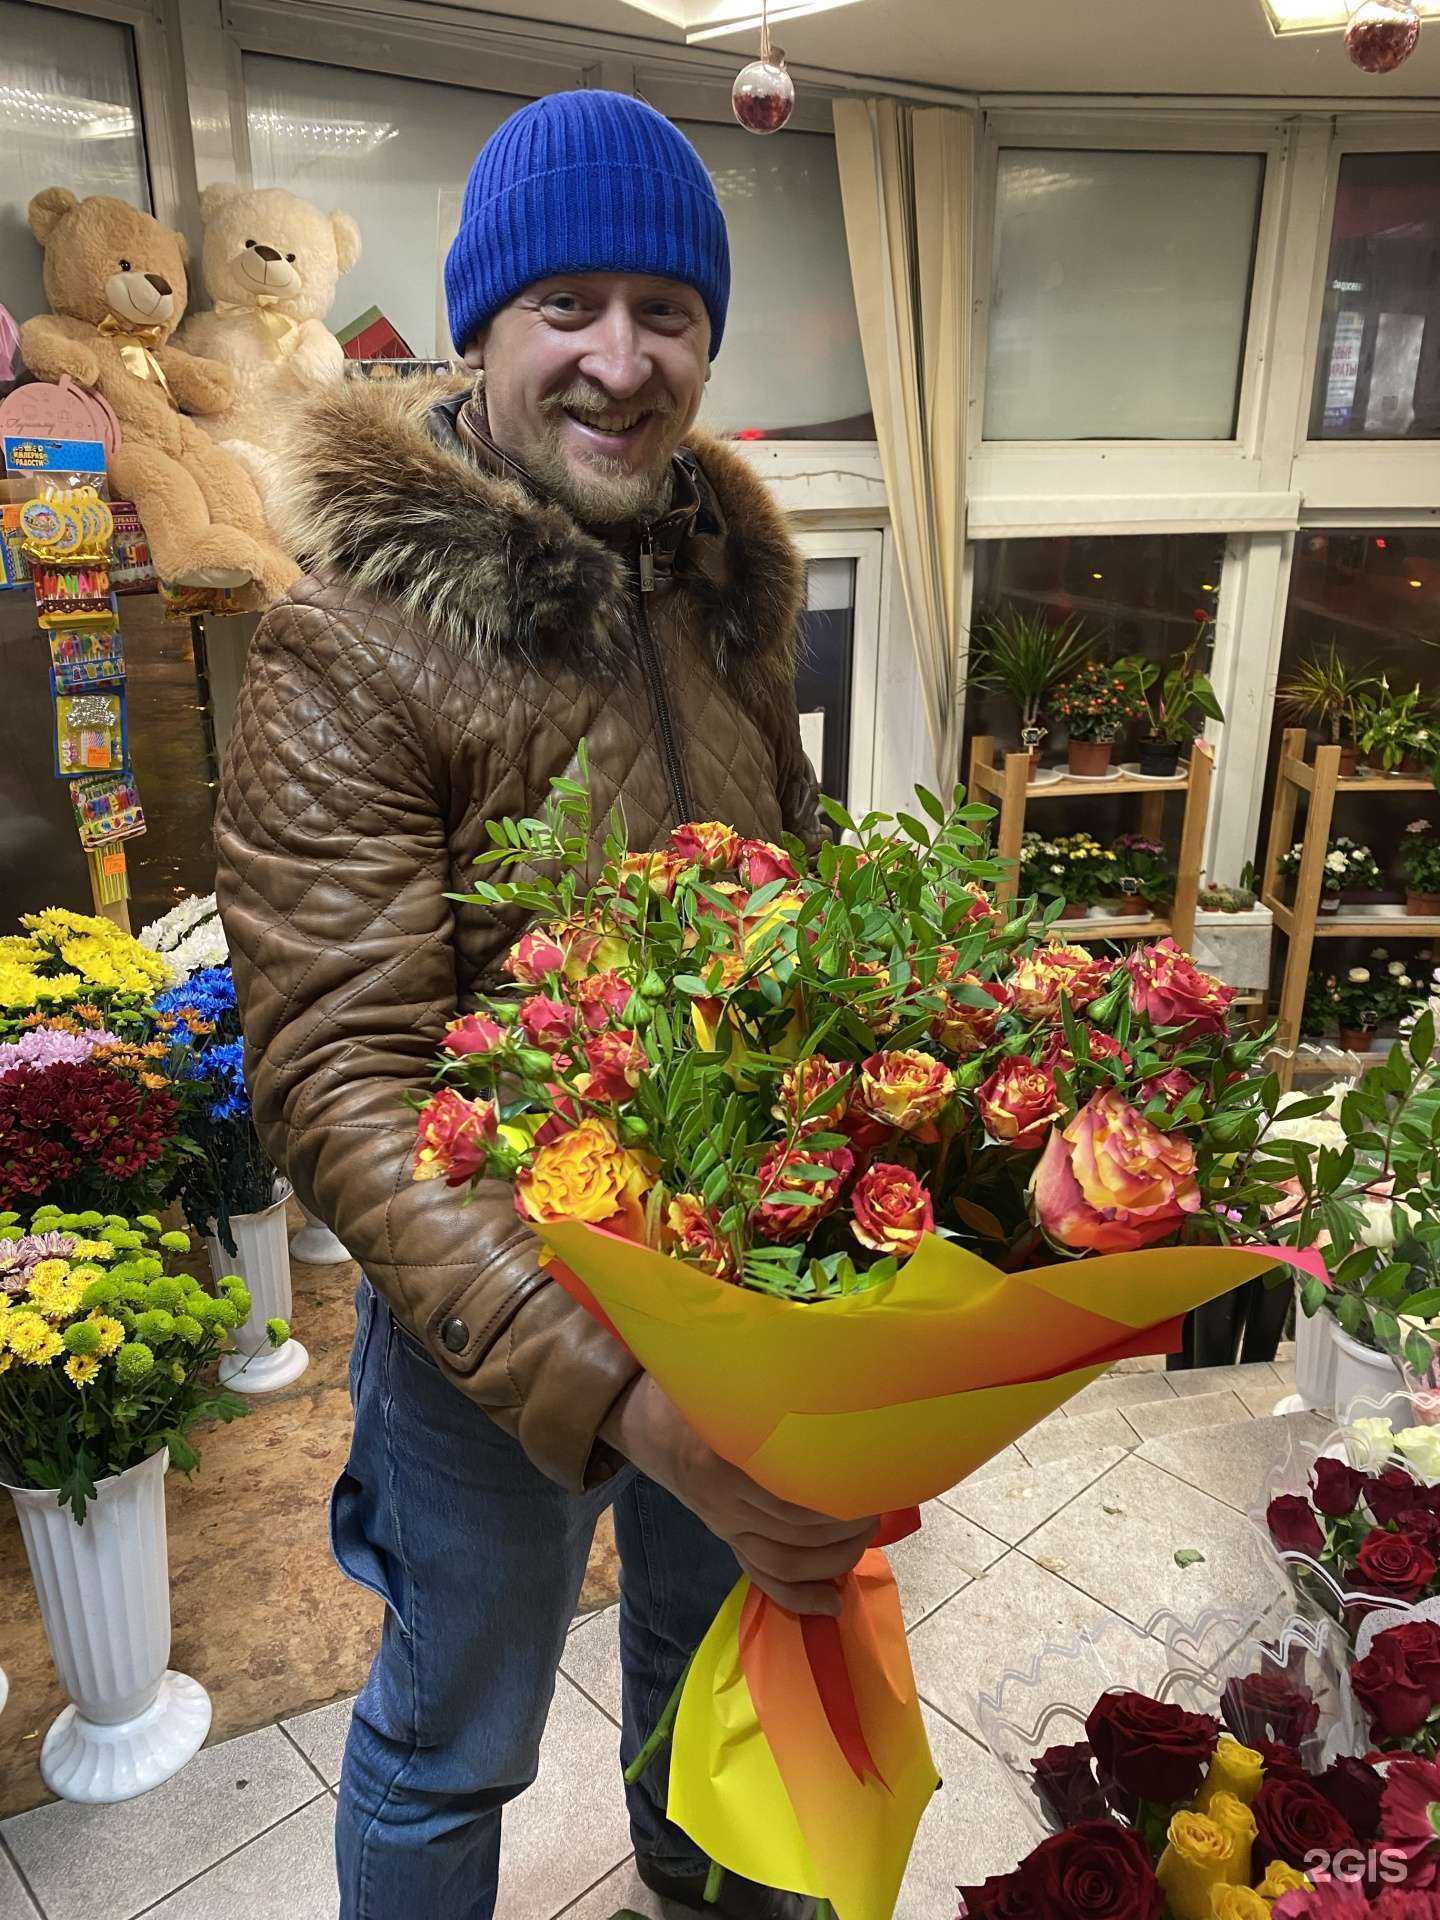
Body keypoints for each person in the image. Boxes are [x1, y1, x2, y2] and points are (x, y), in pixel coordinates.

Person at [215, 90, 876, 1920]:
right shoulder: (348, 639)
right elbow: (338, 1076)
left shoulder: (728, 592)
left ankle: (697, 1882)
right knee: (452, 1744)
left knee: (709, 1659)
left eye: (667, 310)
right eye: (565, 304)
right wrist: (619, 1391)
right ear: (482, 328)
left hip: (731, 1279)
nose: (620, 356)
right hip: (485, 1323)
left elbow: (797, 888)